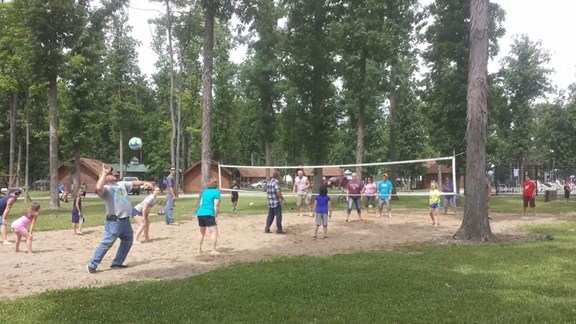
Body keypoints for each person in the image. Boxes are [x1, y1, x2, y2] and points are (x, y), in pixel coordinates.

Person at [86, 164, 151, 274]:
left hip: (125, 221)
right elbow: (97, 188)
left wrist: (144, 182)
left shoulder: (120, 184)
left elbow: (134, 183)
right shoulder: (106, 189)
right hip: (114, 221)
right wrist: (104, 173)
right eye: (110, 174)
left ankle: (117, 262)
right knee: (107, 243)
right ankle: (92, 264)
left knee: (127, 241)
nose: (114, 174)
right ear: (105, 177)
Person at [196, 179, 221, 255]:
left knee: (201, 232)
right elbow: (216, 205)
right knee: (214, 231)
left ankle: (199, 249)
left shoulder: (205, 192)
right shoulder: (216, 192)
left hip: (200, 213)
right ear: (216, 184)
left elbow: (200, 204)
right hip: (209, 213)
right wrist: (216, 216)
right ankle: (213, 250)